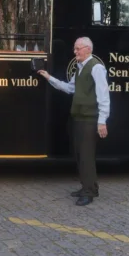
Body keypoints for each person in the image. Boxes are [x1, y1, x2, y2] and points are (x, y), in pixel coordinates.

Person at [38, 37, 109, 206]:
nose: (75, 52)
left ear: (88, 49)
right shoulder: (79, 68)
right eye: (74, 48)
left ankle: (89, 192)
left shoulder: (96, 68)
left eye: (78, 49)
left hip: (89, 118)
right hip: (78, 117)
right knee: (79, 154)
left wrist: (102, 121)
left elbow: (104, 96)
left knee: (86, 156)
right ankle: (88, 186)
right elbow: (70, 88)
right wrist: (49, 77)